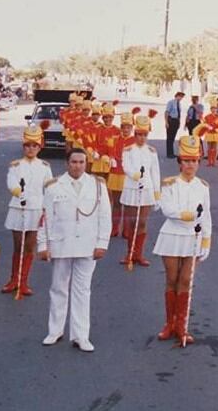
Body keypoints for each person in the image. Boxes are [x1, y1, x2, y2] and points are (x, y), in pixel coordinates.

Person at [38, 149, 112, 352]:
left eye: (81, 162)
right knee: (58, 287)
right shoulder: (54, 186)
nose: (78, 165)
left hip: (88, 244)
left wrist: (102, 243)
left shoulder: (97, 185)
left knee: (82, 290)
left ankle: (81, 335)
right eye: (74, 162)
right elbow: (45, 218)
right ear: (66, 163)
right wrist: (43, 245)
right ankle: (55, 330)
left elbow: (105, 216)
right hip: (61, 242)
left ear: (86, 163)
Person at [153, 133, 212, 346]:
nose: (190, 165)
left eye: (194, 161)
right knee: (172, 279)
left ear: (198, 163)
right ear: (180, 162)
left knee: (186, 280)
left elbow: (206, 214)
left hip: (193, 237)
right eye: (186, 161)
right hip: (172, 235)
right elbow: (167, 209)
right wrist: (183, 215)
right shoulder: (169, 184)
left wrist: (207, 240)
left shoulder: (203, 187)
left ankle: (182, 326)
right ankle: (169, 324)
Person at [1, 125, 53, 296]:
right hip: (18, 207)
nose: (31, 149)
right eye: (27, 145)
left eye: (34, 146)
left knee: (30, 246)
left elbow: (49, 187)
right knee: (18, 245)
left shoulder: (45, 167)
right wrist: (18, 192)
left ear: (39, 147)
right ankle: (13, 279)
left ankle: (23, 281)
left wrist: (50, 205)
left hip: (35, 209)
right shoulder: (15, 165)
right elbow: (11, 182)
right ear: (23, 146)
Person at [120, 111, 161, 268]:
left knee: (142, 222)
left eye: (144, 135)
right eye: (139, 134)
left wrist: (157, 195)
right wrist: (135, 175)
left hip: (147, 189)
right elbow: (125, 166)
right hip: (131, 187)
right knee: (131, 222)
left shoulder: (151, 152)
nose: (141, 138)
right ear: (135, 134)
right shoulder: (128, 150)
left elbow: (155, 173)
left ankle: (139, 254)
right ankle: (129, 253)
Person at [107, 108, 137, 237]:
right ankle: (114, 228)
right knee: (117, 203)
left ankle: (127, 229)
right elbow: (109, 151)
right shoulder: (114, 139)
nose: (126, 130)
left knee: (128, 204)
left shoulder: (135, 142)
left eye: (128, 127)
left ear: (132, 128)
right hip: (116, 173)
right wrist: (111, 158)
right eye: (124, 127)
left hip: (128, 176)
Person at [164, 91, 185, 158]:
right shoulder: (171, 102)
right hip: (171, 120)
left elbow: (179, 114)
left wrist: (179, 122)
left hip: (176, 121)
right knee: (169, 137)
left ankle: (172, 152)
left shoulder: (179, 104)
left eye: (182, 97)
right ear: (177, 96)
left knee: (173, 137)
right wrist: (166, 122)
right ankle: (169, 153)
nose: (181, 98)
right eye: (180, 96)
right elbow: (167, 112)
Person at [203, 96, 218, 166]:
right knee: (209, 147)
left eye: (215, 109)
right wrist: (207, 126)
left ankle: (214, 161)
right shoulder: (207, 116)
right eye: (212, 108)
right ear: (210, 109)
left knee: (215, 148)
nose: (214, 110)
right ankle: (209, 161)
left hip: (216, 133)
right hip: (209, 133)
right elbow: (204, 124)